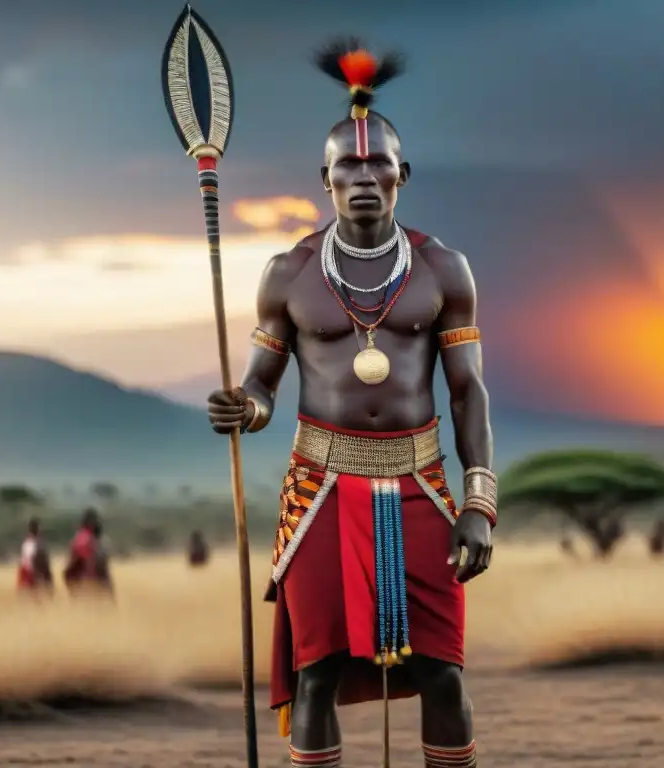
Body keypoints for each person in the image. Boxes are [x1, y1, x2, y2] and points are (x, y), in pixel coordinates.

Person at [207, 41, 495, 768]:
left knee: (443, 670)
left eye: (377, 164)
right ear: (324, 179)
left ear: (403, 173)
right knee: (317, 674)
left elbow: (467, 388)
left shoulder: (442, 269)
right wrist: (245, 409)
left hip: (423, 486)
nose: (363, 177)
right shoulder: (289, 275)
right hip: (320, 490)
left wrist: (479, 501)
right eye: (348, 165)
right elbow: (264, 387)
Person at [63, 508, 114, 597]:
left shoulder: (77, 539)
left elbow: (69, 568)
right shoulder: (95, 542)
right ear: (92, 523)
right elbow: (101, 569)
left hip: (80, 587)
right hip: (95, 587)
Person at [16, 517, 53, 594]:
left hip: (25, 573)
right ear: (37, 529)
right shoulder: (38, 544)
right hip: (34, 574)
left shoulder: (26, 543)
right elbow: (41, 561)